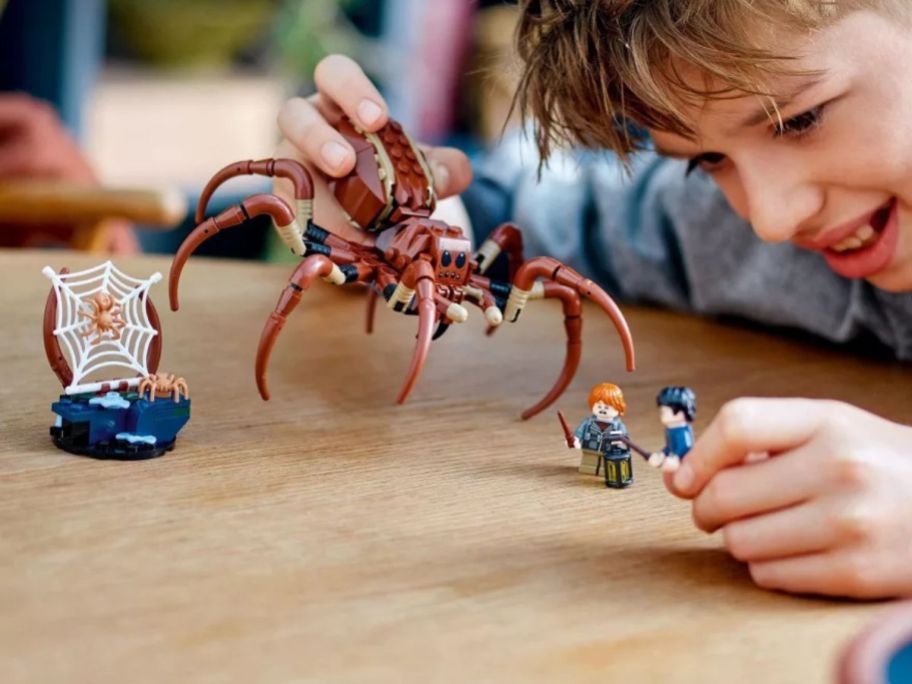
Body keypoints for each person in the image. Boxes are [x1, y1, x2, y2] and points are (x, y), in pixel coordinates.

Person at [270, 1, 912, 599]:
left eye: (801, 118)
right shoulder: (726, 230)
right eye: (707, 159)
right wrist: (372, 210)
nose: (770, 219)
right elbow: (523, 211)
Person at [571, 383, 633, 488]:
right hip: (590, 448)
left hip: (609, 452)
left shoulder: (618, 426)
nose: (602, 409)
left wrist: (622, 443)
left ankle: (604, 472)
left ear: (618, 407)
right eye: (599, 406)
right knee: (589, 463)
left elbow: (625, 439)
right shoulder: (588, 422)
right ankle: (589, 469)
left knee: (606, 466)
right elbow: (579, 433)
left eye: (607, 407)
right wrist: (575, 440)